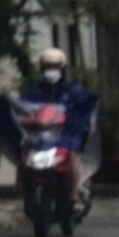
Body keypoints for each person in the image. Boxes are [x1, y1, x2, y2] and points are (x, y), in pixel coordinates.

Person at [19, 47, 99, 209]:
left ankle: (75, 192)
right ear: (42, 68)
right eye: (48, 67)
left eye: (55, 67)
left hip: (64, 133)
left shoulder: (73, 91)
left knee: (71, 155)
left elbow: (84, 107)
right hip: (40, 134)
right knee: (22, 155)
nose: (51, 71)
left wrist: (80, 118)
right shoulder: (34, 91)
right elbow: (22, 107)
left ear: (62, 68)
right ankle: (23, 188)